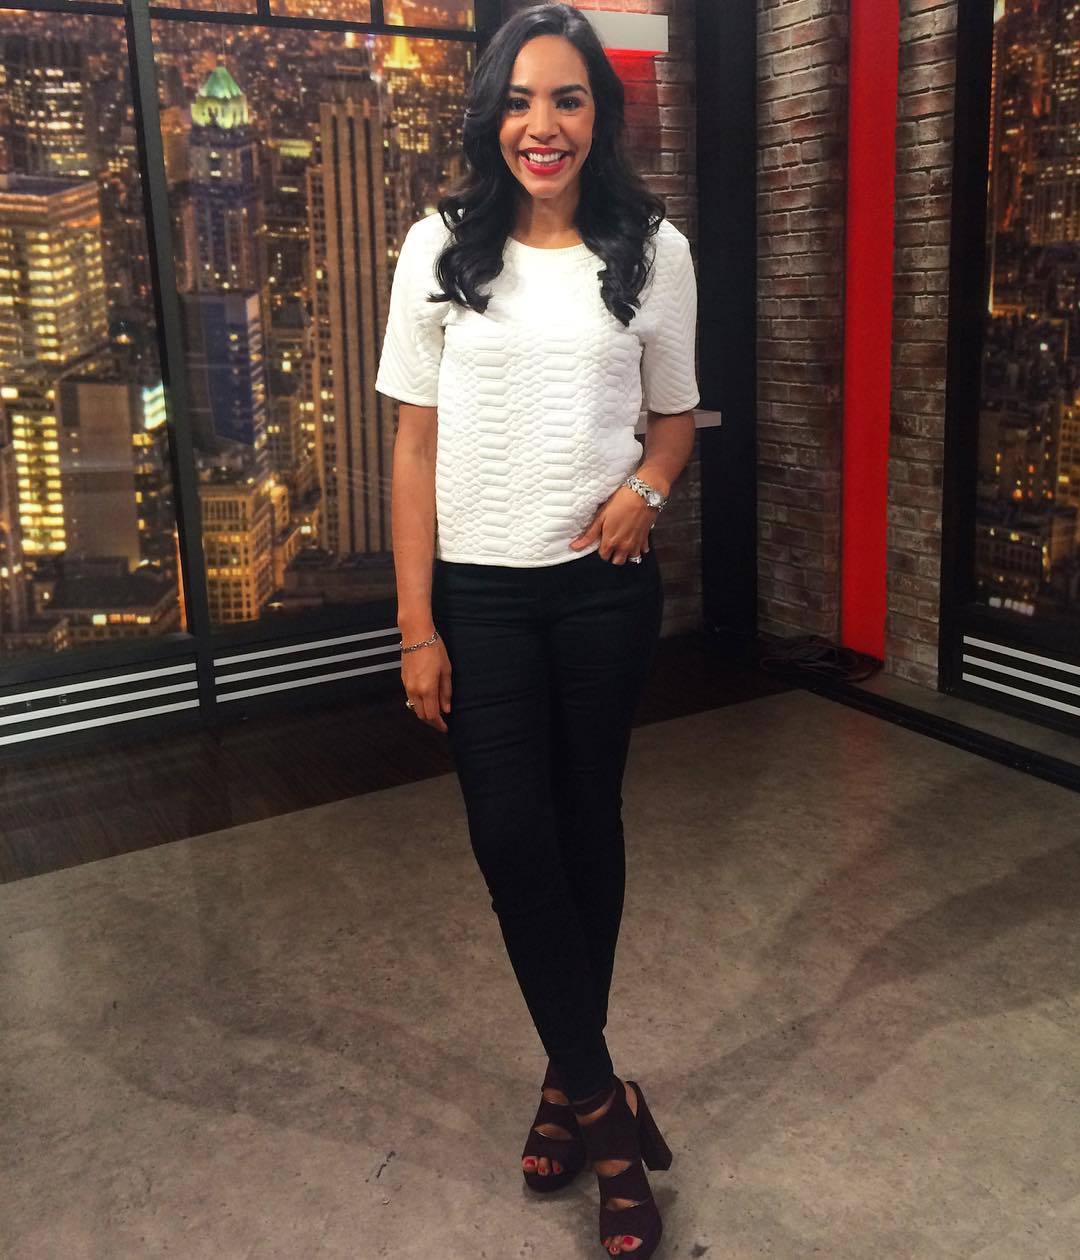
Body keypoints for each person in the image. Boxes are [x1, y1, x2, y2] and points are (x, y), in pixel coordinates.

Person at [374, 5, 698, 1256]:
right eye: (518, 100)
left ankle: (568, 1083)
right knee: (510, 836)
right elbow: (414, 447)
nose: (541, 125)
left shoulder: (653, 250)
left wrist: (646, 493)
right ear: (490, 117)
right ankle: (612, 1118)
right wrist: (417, 626)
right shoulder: (439, 246)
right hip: (481, 598)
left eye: (566, 99)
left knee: (585, 826)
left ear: (599, 117)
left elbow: (675, 418)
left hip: (603, 594)